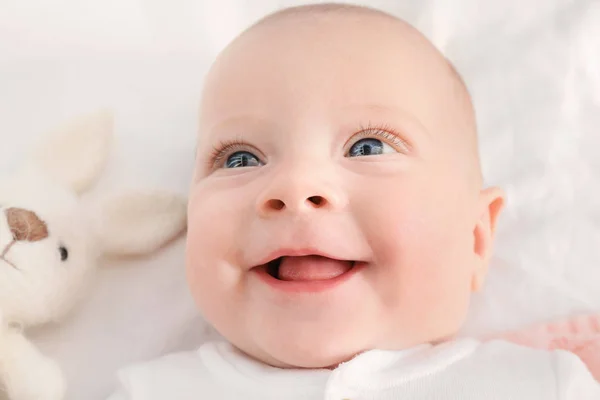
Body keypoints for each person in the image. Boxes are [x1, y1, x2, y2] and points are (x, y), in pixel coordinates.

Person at [107, 3, 600, 399]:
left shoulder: (542, 385)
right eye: (239, 158)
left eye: (368, 147)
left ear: (474, 240)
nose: (295, 188)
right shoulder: (151, 390)